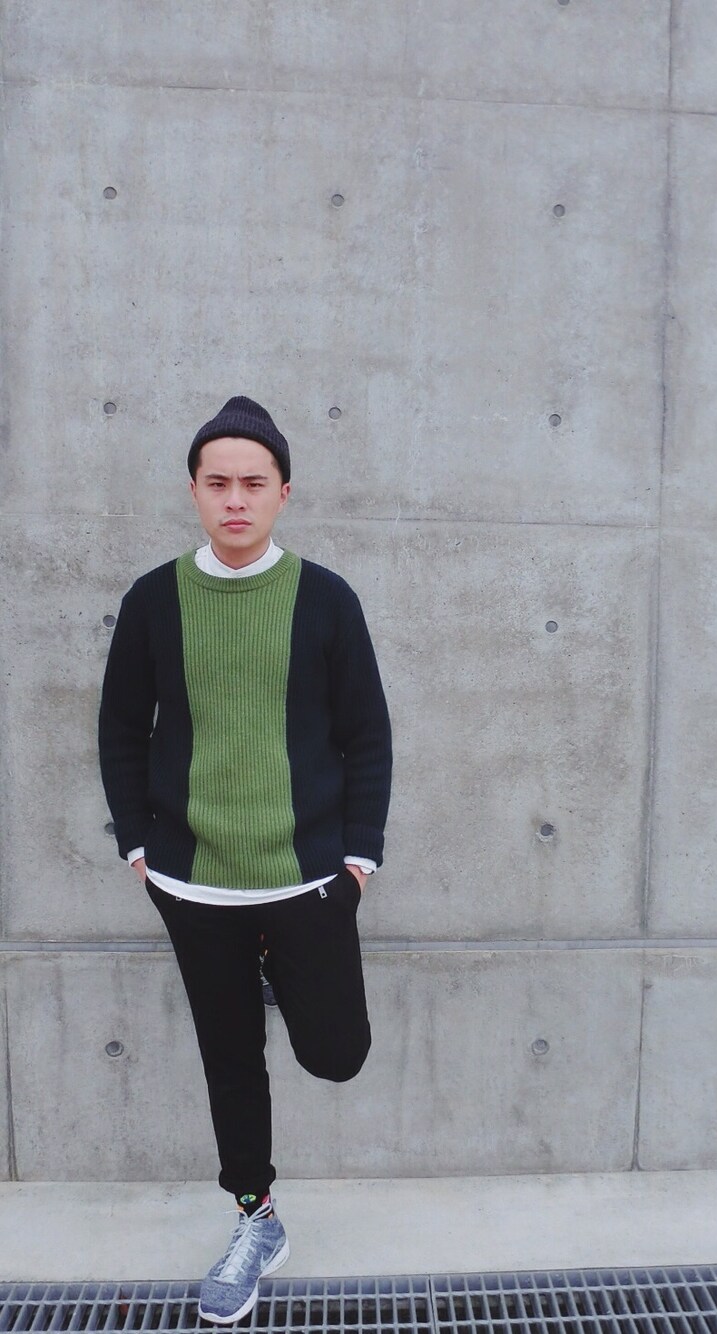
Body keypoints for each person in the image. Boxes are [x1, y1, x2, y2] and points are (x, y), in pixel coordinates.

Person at [98, 396, 392, 1324]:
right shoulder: (153, 600)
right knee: (231, 1059)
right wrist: (139, 846)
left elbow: (367, 736)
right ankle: (255, 1217)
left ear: (282, 494)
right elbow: (121, 730)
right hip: (192, 878)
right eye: (217, 482)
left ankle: (278, 969)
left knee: (336, 1054)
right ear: (193, 490)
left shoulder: (326, 599)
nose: (235, 499)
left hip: (306, 875)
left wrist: (359, 862)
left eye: (252, 483)